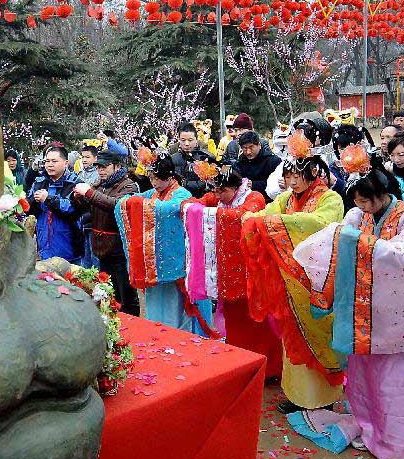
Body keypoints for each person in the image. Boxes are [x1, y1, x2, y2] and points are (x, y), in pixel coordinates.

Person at [289, 152, 404, 459]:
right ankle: (368, 425)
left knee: (395, 381)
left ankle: (398, 443)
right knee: (365, 376)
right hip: (362, 312)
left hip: (398, 313)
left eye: (365, 201)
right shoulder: (358, 217)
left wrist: (363, 245)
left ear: (383, 195)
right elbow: (341, 238)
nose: (360, 208)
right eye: (356, 201)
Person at [243, 130, 346, 415]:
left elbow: (319, 223)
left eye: (297, 176)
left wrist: (275, 222)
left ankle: (323, 395)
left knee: (319, 334)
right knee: (292, 337)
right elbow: (266, 212)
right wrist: (253, 218)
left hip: (317, 280)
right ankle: (298, 396)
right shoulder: (287, 200)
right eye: (288, 176)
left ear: (313, 173)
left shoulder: (331, 199)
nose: (292, 181)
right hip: (289, 280)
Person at [183, 164, 282, 378]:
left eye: (222, 191)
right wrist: (197, 208)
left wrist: (207, 213)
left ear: (235, 187)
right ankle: (244, 365)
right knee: (235, 323)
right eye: (215, 191)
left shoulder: (254, 197)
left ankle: (267, 368)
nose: (217, 196)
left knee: (257, 323)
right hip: (229, 273)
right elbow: (189, 204)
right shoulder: (219, 197)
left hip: (251, 272)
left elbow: (243, 216)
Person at [115, 155, 214, 333]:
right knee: (157, 305)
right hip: (155, 263)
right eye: (151, 178)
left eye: (157, 178)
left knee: (174, 307)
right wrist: (130, 201)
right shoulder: (153, 193)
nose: (154, 183)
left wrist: (144, 205)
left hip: (175, 263)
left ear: (170, 177)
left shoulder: (182, 194)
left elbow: (168, 208)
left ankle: (178, 335)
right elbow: (131, 200)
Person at [73, 150, 140, 315]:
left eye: (105, 166)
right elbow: (84, 207)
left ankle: (133, 326)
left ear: (117, 166)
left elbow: (117, 205)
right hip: (101, 247)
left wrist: (89, 193)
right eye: (98, 167)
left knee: (126, 293)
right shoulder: (99, 184)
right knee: (108, 292)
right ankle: (114, 326)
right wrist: (78, 197)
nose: (101, 170)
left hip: (119, 248)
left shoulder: (128, 185)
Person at [27, 146, 82, 262]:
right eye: (47, 161)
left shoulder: (75, 183)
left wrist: (48, 199)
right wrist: (33, 200)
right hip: (43, 245)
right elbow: (28, 208)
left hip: (68, 246)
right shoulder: (39, 182)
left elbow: (72, 209)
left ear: (66, 163)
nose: (49, 165)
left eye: (54, 161)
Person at [232, 131, 282, 200]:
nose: (248, 152)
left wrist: (253, 184)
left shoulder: (273, 161)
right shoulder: (241, 161)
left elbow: (277, 186)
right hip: (244, 200)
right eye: (245, 148)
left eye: (251, 147)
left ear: (259, 145)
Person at [170, 122, 214, 197]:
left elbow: (209, 183)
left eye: (190, 140)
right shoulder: (173, 158)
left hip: (201, 199)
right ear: (179, 140)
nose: (186, 144)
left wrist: (184, 183)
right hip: (178, 199)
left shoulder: (206, 158)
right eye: (183, 140)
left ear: (196, 140)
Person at [330, 125, 367, 211]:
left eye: (349, 147)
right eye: (342, 148)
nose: (346, 151)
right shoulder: (335, 167)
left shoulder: (367, 167)